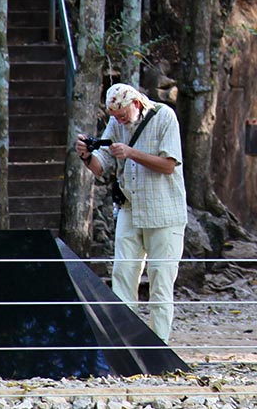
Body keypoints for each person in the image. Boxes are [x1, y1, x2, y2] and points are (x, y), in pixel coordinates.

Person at [74, 83, 187, 342]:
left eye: (123, 115)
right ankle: (125, 344)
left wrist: (131, 153)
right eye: (115, 117)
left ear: (136, 104)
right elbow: (101, 167)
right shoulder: (116, 125)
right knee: (122, 277)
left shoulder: (164, 116)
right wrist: (86, 156)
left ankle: (159, 348)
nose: (120, 121)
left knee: (160, 283)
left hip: (164, 213)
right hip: (130, 209)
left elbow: (169, 165)